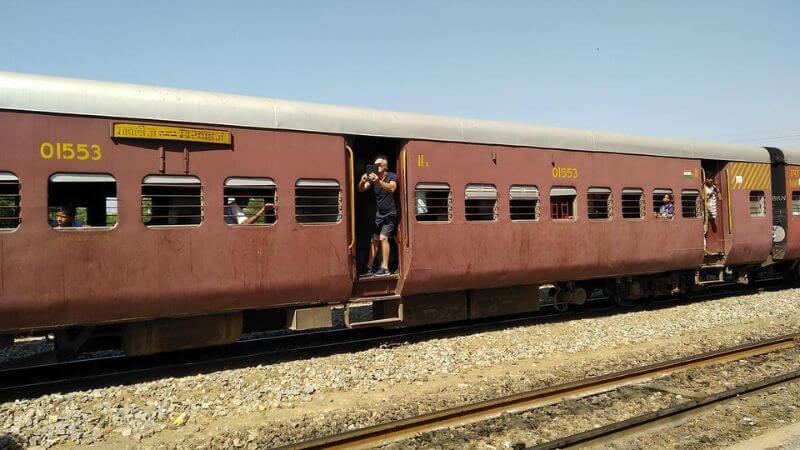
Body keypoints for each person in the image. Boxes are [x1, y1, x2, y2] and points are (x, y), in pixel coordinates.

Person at [358, 155, 398, 277]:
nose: (376, 167)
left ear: (385, 167)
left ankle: (385, 268)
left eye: (379, 164)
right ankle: (369, 267)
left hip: (390, 213)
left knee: (383, 238)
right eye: (375, 165)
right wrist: (363, 180)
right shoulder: (372, 178)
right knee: (374, 240)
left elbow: (392, 188)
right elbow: (361, 189)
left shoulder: (391, 176)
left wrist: (378, 182)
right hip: (379, 214)